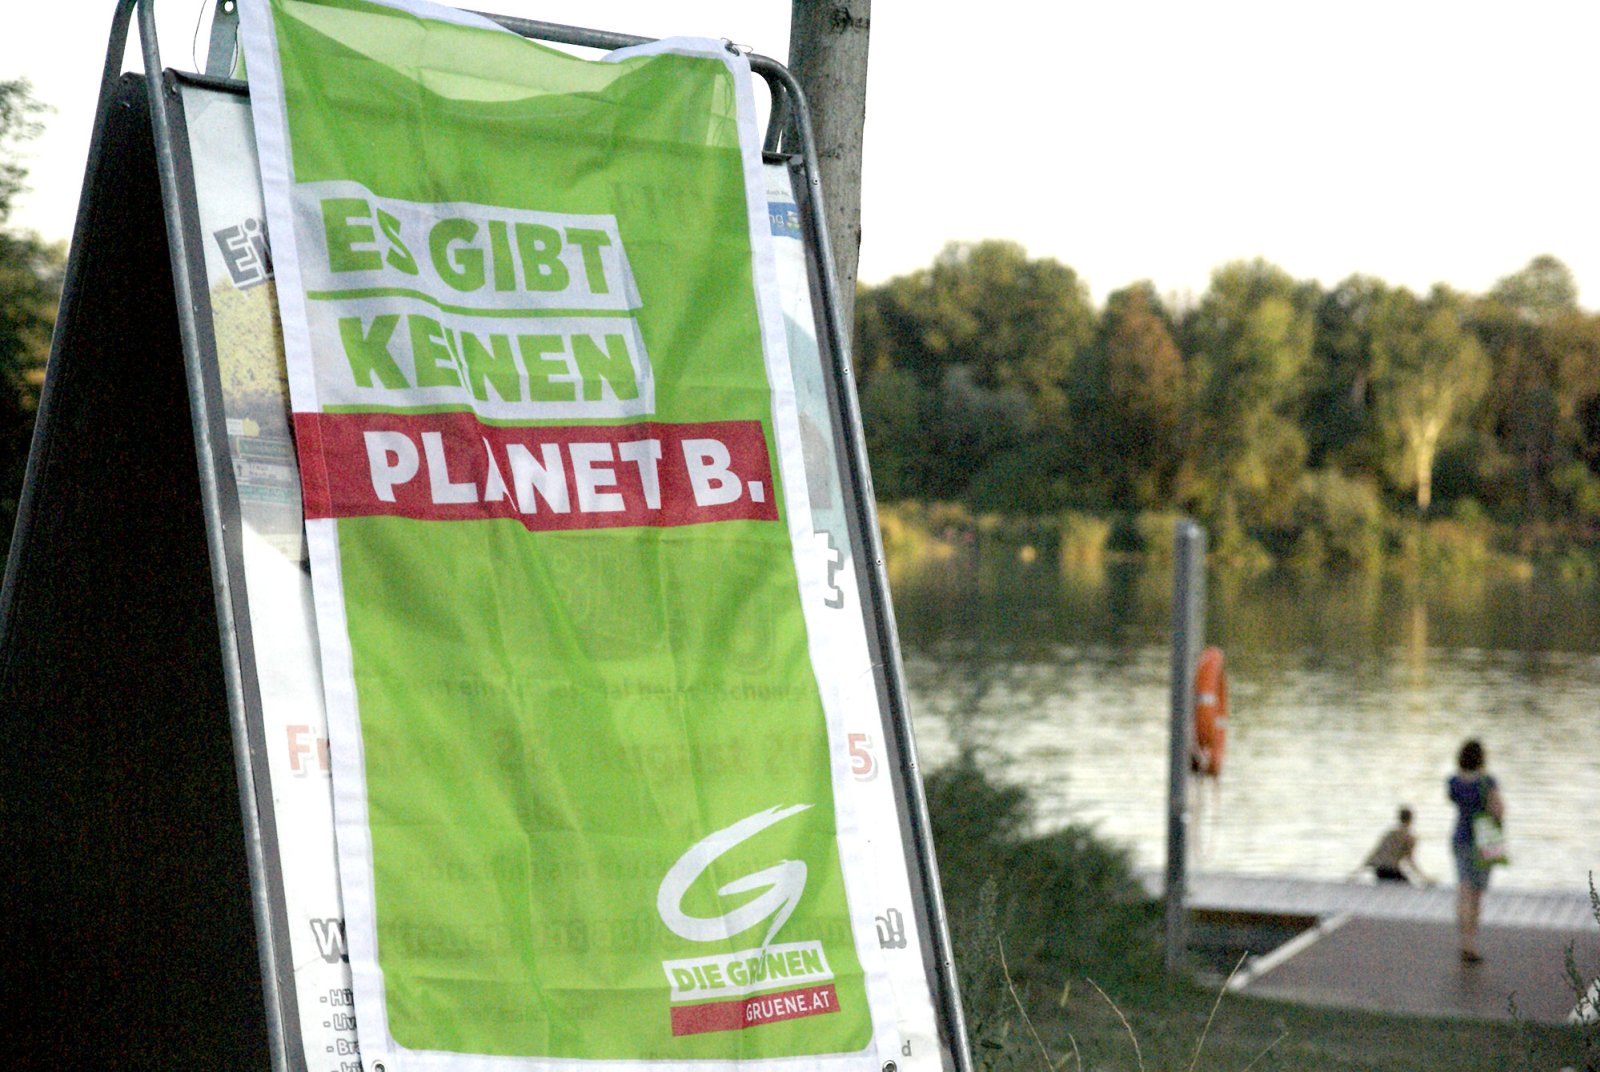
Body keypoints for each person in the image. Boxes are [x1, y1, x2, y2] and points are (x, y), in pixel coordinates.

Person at [1447, 738, 1504, 964]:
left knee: (1464, 891)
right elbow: (1498, 810)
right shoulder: (1487, 781)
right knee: (1477, 894)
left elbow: (1455, 801)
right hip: (1485, 840)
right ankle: (1471, 944)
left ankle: (1464, 942)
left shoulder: (1453, 781)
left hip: (1460, 837)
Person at [1359, 806, 1430, 884]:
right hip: (1391, 870)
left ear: (1399, 818)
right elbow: (1409, 860)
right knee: (1406, 885)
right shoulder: (1410, 837)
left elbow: (1376, 852)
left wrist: (1362, 868)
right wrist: (1424, 878)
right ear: (1411, 820)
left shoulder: (1390, 834)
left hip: (1379, 869)